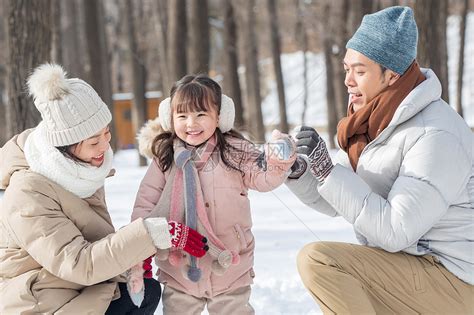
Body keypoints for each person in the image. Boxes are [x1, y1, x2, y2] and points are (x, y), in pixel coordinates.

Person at [286, 6, 473, 314]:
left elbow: (395, 231)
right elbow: (339, 201)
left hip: (455, 281)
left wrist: (327, 170)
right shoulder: (376, 127)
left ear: (392, 76)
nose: (348, 81)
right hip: (414, 268)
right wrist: (299, 171)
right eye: (346, 69)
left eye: (360, 71)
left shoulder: (434, 133)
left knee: (319, 260)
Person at [0, 63, 208, 314]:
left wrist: (134, 256)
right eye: (93, 141)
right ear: (65, 147)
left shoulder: (79, 170)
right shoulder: (28, 193)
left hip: (73, 286)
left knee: (146, 292)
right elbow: (78, 262)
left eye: (106, 133)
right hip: (41, 301)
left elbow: (91, 244)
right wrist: (148, 236)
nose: (104, 146)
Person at [128, 74, 296, 314]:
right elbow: (145, 205)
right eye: (182, 116)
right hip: (179, 271)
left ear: (220, 116)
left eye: (201, 114)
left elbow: (263, 176)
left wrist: (277, 162)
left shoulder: (235, 151)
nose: (191, 124)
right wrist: (140, 244)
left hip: (230, 265)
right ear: (170, 118)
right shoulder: (165, 159)